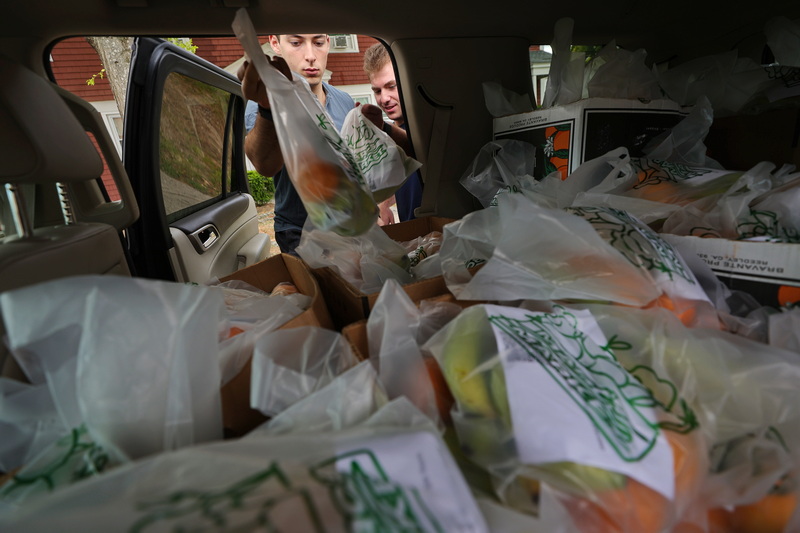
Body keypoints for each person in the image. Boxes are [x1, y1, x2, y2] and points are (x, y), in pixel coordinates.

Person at [238, 34, 359, 255]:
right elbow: (265, 165)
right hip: (299, 233)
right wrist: (268, 106)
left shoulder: (345, 101)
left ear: (329, 43)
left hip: (349, 225)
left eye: (319, 43)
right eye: (296, 43)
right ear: (275, 44)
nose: (311, 56)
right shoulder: (261, 103)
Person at [362, 42, 424, 224]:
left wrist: (383, 127)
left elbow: (416, 151)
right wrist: (383, 203)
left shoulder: (424, 129)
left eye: (391, 86)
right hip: (413, 235)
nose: (384, 98)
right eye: (377, 90)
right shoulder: (387, 136)